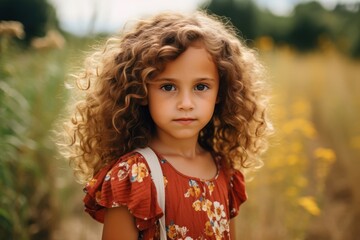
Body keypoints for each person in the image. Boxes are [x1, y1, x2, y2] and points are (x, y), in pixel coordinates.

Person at [60, 10, 272, 240]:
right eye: (168, 87)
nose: (186, 104)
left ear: (221, 91)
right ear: (141, 91)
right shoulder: (133, 176)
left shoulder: (225, 171)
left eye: (201, 87)